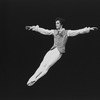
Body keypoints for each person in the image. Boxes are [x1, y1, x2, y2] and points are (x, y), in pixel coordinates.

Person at [25, 18, 98, 86]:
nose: (56, 24)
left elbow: (78, 31)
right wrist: (33, 28)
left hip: (58, 51)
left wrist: (89, 29)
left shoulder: (67, 32)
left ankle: (36, 79)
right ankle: (32, 78)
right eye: (56, 23)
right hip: (52, 50)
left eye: (57, 23)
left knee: (47, 66)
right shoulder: (54, 32)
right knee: (42, 64)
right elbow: (45, 31)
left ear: (61, 24)